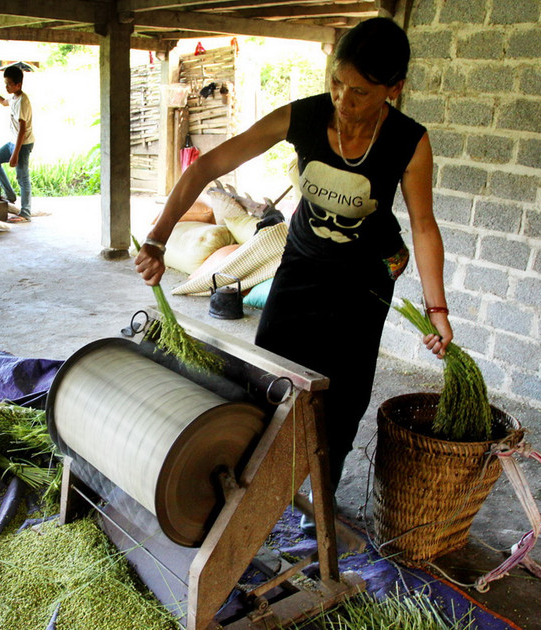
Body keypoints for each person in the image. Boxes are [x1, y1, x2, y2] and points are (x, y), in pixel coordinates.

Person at [135, 18, 452, 502]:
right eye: (337, 84)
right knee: (266, 381)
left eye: (361, 93)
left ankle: (318, 504)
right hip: (301, 268)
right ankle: (255, 489)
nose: (343, 101)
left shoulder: (409, 140)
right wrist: (157, 238)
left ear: (395, 89)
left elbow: (424, 226)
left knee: (342, 403)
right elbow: (207, 165)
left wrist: (437, 312)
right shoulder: (303, 117)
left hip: (364, 284)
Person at [0, 65, 35, 219]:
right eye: (5, 83)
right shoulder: (14, 97)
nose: (6, 87)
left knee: (22, 177)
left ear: (18, 85)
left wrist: (14, 155)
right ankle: (10, 194)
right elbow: (3, 102)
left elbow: (22, 129)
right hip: (13, 142)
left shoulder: (22, 101)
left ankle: (26, 212)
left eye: (8, 84)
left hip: (23, 144)